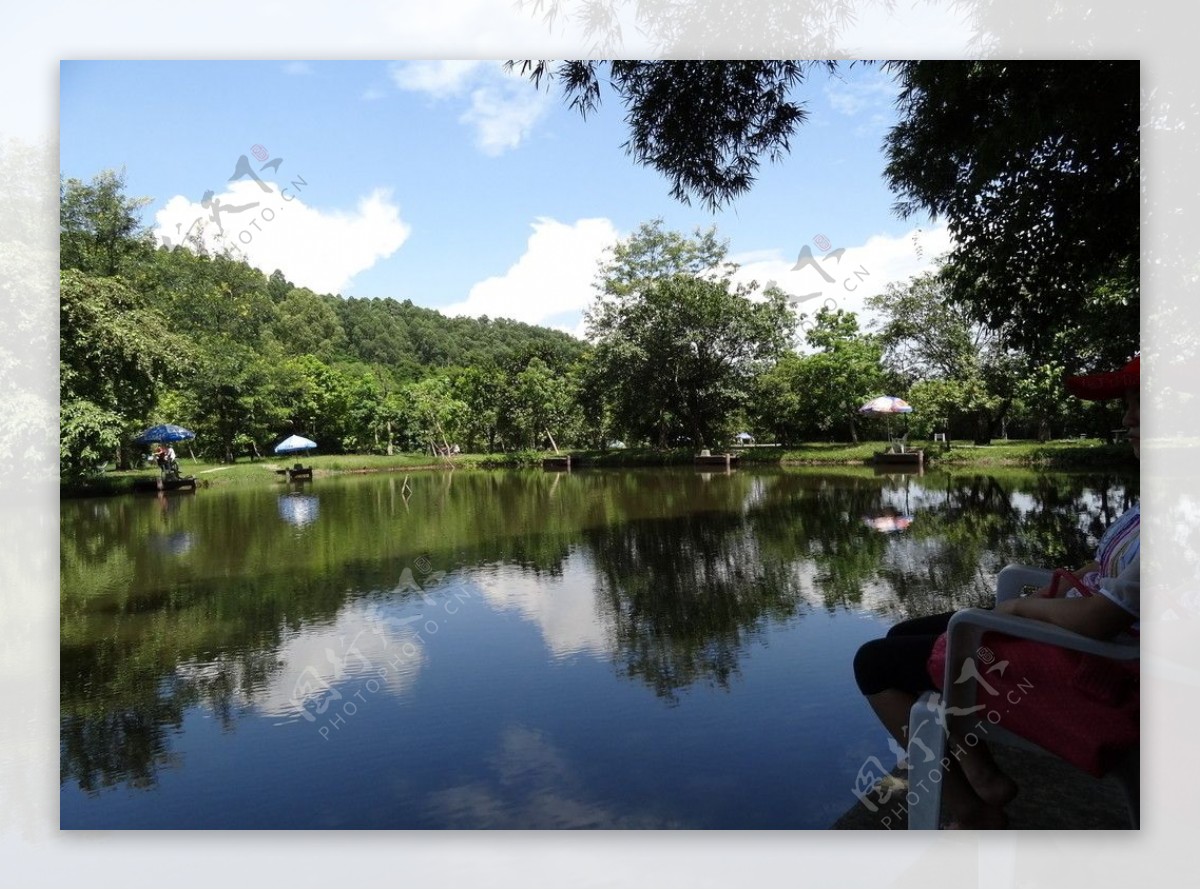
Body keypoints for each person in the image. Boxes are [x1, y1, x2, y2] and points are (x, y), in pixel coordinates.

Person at [852, 355, 1140, 829]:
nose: (1127, 417)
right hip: (1087, 644)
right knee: (903, 630)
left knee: (873, 664)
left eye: (1140, 405)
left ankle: (971, 805)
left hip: (1095, 667)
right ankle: (982, 773)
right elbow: (1113, 571)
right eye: (1126, 404)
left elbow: (1099, 620)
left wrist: (1020, 606)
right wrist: (1063, 585)